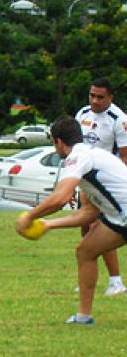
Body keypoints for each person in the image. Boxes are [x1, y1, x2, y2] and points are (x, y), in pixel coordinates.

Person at [16, 115, 127, 324]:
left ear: (57, 142)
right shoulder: (88, 158)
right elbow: (89, 213)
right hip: (119, 218)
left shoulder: (77, 158)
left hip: (123, 216)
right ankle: (83, 316)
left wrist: (29, 216)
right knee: (86, 251)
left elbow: (60, 198)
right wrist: (48, 224)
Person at [75, 77, 127, 295]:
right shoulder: (82, 114)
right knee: (86, 227)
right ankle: (89, 275)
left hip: (108, 186)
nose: (94, 101)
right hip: (87, 183)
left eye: (100, 97)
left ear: (110, 97)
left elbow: (124, 156)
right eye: (92, 95)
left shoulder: (119, 119)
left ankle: (115, 281)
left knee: (101, 229)